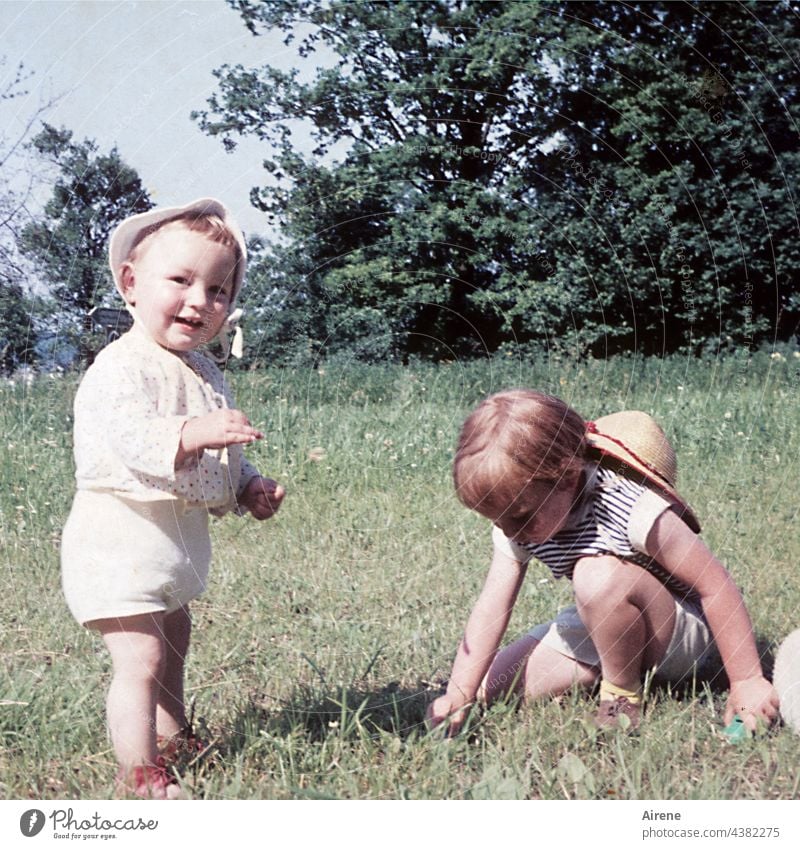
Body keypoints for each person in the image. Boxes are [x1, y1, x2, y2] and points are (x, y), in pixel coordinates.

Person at [61, 198, 285, 798]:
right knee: (140, 658)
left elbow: (220, 447)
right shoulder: (120, 367)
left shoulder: (206, 370)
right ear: (132, 284)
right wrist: (190, 434)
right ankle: (141, 774)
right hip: (119, 540)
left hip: (168, 546)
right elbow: (133, 439)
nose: (199, 301)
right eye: (181, 280)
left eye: (217, 289)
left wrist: (246, 485)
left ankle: (174, 731)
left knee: (174, 639)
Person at [426, 389, 779, 735]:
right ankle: (611, 664)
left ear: (566, 477)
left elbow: (714, 585)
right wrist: (459, 693)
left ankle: (621, 696)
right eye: (497, 518)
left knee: (594, 574)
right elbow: (493, 607)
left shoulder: (632, 508)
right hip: (606, 617)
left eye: (519, 517)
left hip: (680, 630)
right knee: (494, 685)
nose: (509, 530)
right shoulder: (520, 519)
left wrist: (747, 679)